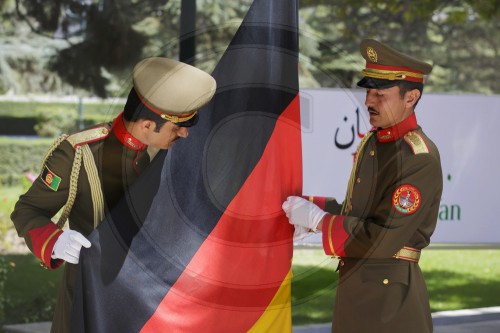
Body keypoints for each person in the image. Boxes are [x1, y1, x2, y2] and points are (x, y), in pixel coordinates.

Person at [10, 57, 216, 333]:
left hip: (152, 302)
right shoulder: (79, 153)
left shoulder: (168, 152)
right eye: (176, 126)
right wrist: (55, 240)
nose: (184, 134)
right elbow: (27, 211)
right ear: (146, 125)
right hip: (90, 298)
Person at [282, 39, 443, 332]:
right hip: (357, 292)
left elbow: (383, 237)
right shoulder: (374, 141)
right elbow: (359, 211)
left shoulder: (418, 157)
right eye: (369, 91)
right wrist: (309, 207)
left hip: (390, 306)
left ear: (411, 97)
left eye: (380, 94)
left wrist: (320, 221)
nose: (369, 101)